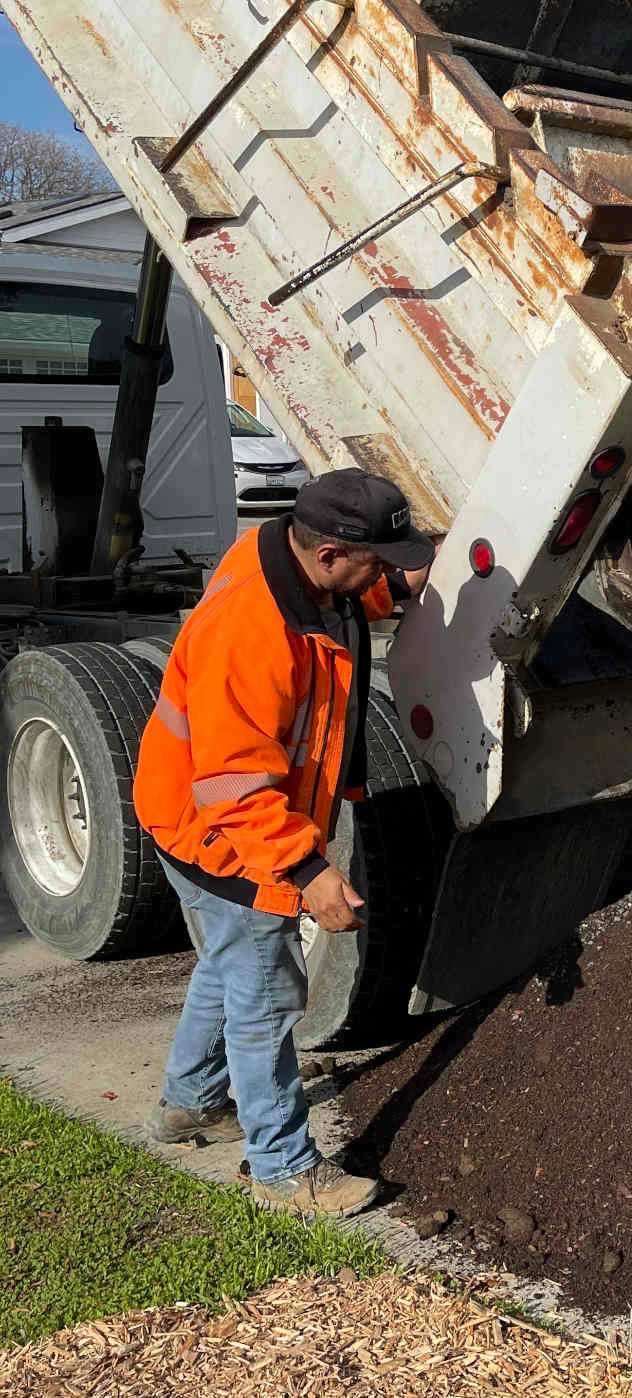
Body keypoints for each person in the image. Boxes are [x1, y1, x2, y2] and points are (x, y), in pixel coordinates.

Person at [134, 470, 433, 1217]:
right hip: (220, 827)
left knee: (231, 961)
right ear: (330, 553)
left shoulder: (292, 565)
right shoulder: (250, 629)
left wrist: (393, 588)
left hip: (198, 810)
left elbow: (347, 608)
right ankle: (280, 1166)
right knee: (265, 994)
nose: (389, 571)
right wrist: (309, 869)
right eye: (379, 560)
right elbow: (234, 784)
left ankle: (189, 1102)